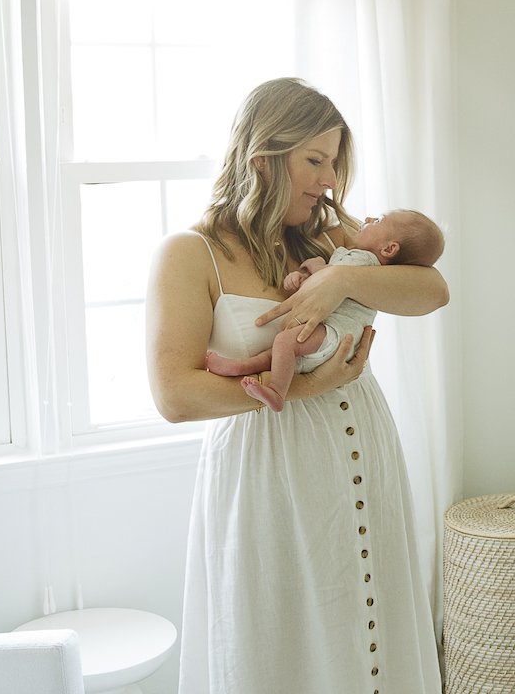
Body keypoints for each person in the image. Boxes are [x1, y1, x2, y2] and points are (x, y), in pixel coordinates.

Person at [146, 77, 448, 693]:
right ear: (262, 156)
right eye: (315, 160)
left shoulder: (330, 239)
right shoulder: (190, 253)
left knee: (369, 619)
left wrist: (337, 284)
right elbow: (175, 395)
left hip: (363, 453)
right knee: (279, 641)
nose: (330, 180)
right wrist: (304, 390)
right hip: (268, 471)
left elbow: (432, 291)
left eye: (334, 164)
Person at [204, 208, 444, 411]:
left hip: (336, 334)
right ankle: (240, 367)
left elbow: (326, 279)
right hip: (335, 338)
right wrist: (314, 271)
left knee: (284, 343)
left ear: (389, 249)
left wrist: (312, 271)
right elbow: (326, 282)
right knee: (279, 351)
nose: (369, 219)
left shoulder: (363, 261)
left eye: (379, 220)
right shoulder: (362, 263)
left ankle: (277, 391)